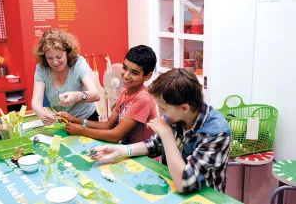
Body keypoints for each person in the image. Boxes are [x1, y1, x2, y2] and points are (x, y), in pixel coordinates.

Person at [88, 68, 231, 194]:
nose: (160, 113)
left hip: (204, 197)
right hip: (171, 188)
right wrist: (120, 151)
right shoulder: (177, 115)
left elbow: (184, 183)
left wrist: (166, 133)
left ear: (184, 108)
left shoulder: (217, 133)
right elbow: (154, 145)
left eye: (163, 108)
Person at [59, 45, 158, 144]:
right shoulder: (125, 92)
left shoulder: (143, 99)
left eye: (134, 73)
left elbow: (115, 136)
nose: (126, 75)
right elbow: (108, 125)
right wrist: (75, 120)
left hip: (143, 156)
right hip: (126, 149)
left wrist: (81, 131)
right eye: (125, 68)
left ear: (147, 76)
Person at [32, 29, 100, 126]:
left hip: (86, 120)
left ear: (67, 53)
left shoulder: (79, 63)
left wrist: (77, 96)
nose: (55, 62)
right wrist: (42, 115)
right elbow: (36, 101)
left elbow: (96, 95)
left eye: (59, 57)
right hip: (62, 122)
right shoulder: (41, 68)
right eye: (50, 58)